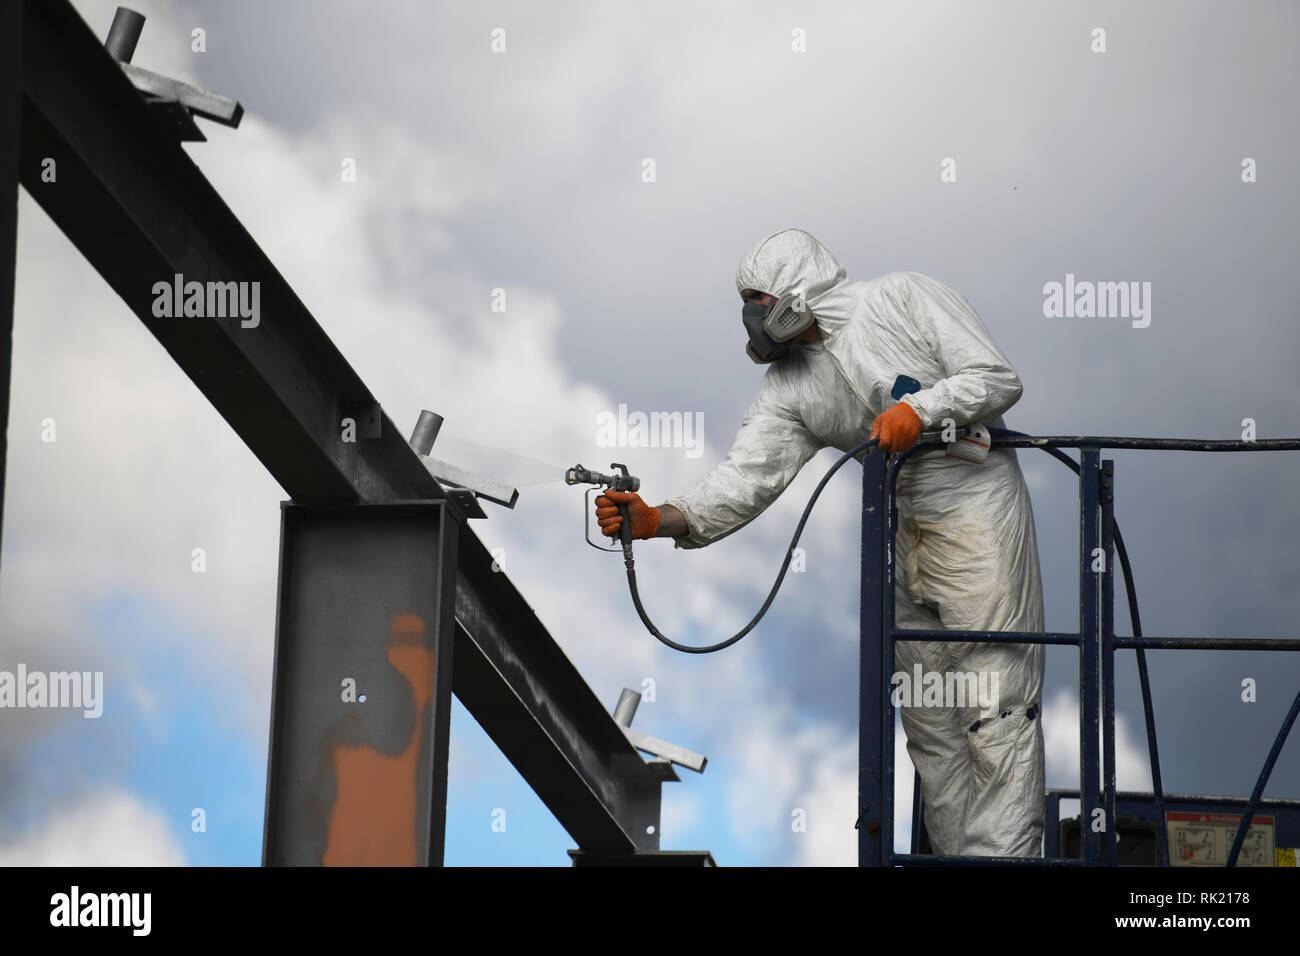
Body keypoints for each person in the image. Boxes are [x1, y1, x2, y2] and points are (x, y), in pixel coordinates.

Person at [595, 228, 1046, 857]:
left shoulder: (901, 298)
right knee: (932, 727)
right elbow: (747, 476)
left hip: (976, 521)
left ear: (793, 290)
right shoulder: (791, 385)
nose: (752, 314)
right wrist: (660, 519)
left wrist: (924, 409)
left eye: (757, 297)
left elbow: (996, 377)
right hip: (902, 538)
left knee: (994, 711)